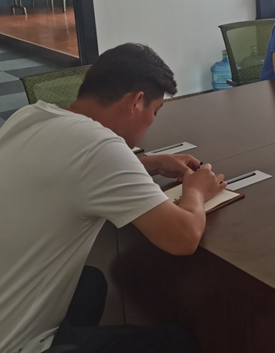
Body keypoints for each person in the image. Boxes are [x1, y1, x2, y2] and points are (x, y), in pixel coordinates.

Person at [0, 43, 227, 353]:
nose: (152, 121)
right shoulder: (99, 147)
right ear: (136, 102)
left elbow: (70, 174)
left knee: (90, 282)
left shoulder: (32, 116)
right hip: (12, 344)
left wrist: (148, 163)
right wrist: (197, 190)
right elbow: (183, 237)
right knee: (177, 343)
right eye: (154, 112)